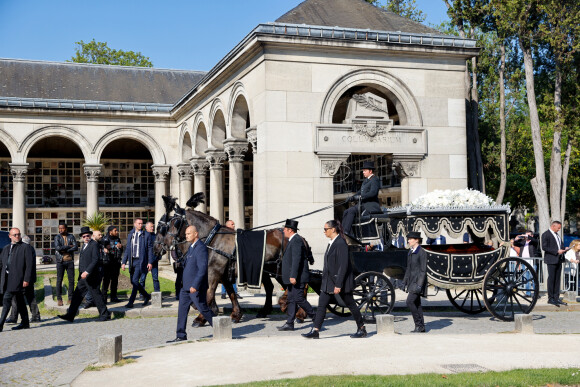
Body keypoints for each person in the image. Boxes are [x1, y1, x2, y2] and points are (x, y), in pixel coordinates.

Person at [302, 220, 366, 339]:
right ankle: (316, 330)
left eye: (326, 229)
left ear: (333, 229)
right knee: (321, 305)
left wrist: (338, 284)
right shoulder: (331, 242)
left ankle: (361, 328)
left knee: (350, 304)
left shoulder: (341, 243)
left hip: (339, 282)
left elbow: (343, 265)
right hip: (328, 281)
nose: (324, 231)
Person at [167, 225, 215, 343]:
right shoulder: (191, 247)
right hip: (185, 287)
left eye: (189, 234)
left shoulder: (201, 248)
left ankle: (221, 327)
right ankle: (181, 335)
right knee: (182, 311)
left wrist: (196, 285)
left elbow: (202, 268)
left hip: (195, 287)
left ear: (196, 234)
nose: (186, 236)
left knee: (203, 309)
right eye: (186, 234)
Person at [57, 227, 111, 322]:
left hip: (91, 275)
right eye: (84, 236)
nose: (86, 237)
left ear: (91, 236)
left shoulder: (94, 245)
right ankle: (70, 315)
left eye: (88, 235)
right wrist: (81, 273)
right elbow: (83, 260)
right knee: (77, 295)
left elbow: (95, 260)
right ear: (82, 237)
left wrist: (87, 271)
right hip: (83, 276)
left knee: (96, 295)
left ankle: (105, 314)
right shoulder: (84, 245)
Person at [277, 219, 314, 332]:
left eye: (285, 229)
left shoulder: (296, 240)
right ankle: (289, 323)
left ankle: (316, 317)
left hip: (297, 277)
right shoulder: (293, 240)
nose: (283, 231)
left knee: (298, 298)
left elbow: (296, 260)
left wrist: (293, 276)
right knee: (291, 299)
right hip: (292, 277)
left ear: (290, 230)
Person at [0, 228, 35, 332]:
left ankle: (0, 324)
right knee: (20, 301)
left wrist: (26, 279)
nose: (17, 236)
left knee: (6, 301)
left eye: (18, 234)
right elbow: (2, 264)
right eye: (15, 235)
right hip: (6, 279)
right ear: (10, 236)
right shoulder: (6, 248)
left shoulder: (25, 247)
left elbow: (29, 265)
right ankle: (25, 322)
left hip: (18, 279)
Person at [6, 235, 40, 324]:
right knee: (23, 297)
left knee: (23, 297)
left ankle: (15, 317)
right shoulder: (30, 248)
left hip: (25, 278)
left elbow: (26, 266)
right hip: (26, 277)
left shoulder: (26, 249)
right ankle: (34, 316)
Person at [342, 161, 381, 236]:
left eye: (365, 170)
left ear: (370, 171)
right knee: (346, 212)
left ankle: (346, 232)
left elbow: (373, 193)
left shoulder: (374, 180)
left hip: (369, 204)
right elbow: (360, 192)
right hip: (363, 204)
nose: (363, 172)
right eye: (363, 170)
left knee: (351, 210)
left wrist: (360, 197)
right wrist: (352, 197)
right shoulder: (365, 181)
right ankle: (343, 231)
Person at [122, 218, 153, 308]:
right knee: (133, 281)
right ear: (135, 224)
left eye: (142, 224)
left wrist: (150, 262)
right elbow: (128, 249)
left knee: (135, 280)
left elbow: (150, 249)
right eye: (139, 223)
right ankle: (147, 296)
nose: (140, 225)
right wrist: (124, 262)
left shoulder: (146, 235)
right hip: (132, 261)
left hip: (141, 261)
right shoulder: (130, 234)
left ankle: (131, 302)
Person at [402, 231, 428, 333]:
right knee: (417, 304)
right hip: (412, 282)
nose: (408, 241)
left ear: (416, 240)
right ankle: (421, 327)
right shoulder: (410, 252)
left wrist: (419, 285)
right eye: (408, 239)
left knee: (409, 301)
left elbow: (423, 270)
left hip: (417, 282)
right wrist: (404, 282)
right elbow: (408, 269)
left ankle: (418, 324)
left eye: (410, 239)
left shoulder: (422, 252)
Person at [541, 220, 569, 307]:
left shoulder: (557, 235)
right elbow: (544, 247)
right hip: (551, 259)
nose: (559, 229)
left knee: (557, 279)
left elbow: (559, 245)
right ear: (553, 226)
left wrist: (564, 248)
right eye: (558, 228)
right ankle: (551, 298)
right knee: (552, 278)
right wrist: (556, 251)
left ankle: (556, 298)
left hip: (559, 259)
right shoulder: (546, 234)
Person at [53, 223, 78, 306]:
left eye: (62, 228)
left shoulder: (71, 237)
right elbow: (58, 248)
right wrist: (68, 246)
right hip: (60, 261)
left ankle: (70, 298)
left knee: (71, 280)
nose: (60, 230)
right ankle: (59, 299)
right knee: (59, 280)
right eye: (59, 228)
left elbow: (76, 247)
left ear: (66, 228)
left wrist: (64, 249)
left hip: (70, 261)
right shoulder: (57, 237)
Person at [82, 230, 105, 308]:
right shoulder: (89, 245)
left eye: (101, 234)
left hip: (100, 267)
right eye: (99, 235)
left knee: (96, 287)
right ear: (94, 236)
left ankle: (97, 303)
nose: (101, 236)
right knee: (91, 287)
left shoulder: (101, 243)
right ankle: (89, 301)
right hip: (91, 269)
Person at [101, 225, 123, 303]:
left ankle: (114, 297)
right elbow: (101, 248)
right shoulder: (104, 239)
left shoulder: (117, 239)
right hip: (107, 263)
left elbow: (121, 249)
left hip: (116, 263)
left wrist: (120, 247)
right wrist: (105, 249)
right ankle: (104, 298)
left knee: (115, 281)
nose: (117, 232)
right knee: (106, 281)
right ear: (110, 232)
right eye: (115, 230)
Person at [221, 219, 242, 300]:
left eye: (234, 224)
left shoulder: (235, 234)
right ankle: (223, 293)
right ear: (227, 225)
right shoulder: (223, 234)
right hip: (225, 258)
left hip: (234, 258)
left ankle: (235, 292)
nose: (234, 225)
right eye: (232, 224)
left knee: (234, 276)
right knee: (224, 276)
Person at [139, 222, 160, 293]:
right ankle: (142, 294)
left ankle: (157, 293)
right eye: (151, 227)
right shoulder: (142, 235)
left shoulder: (155, 236)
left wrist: (157, 257)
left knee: (155, 278)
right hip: (145, 261)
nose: (152, 228)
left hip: (154, 260)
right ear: (146, 227)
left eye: (153, 226)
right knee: (142, 278)